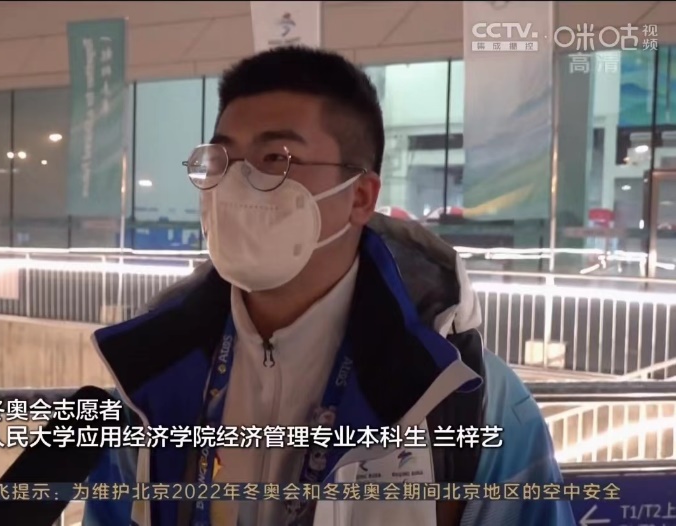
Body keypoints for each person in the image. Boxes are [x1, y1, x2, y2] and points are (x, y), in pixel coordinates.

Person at [83, 47, 574, 526]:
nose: (236, 185)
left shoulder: (465, 396)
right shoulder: (150, 381)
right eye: (223, 161)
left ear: (359, 197)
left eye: (276, 158)